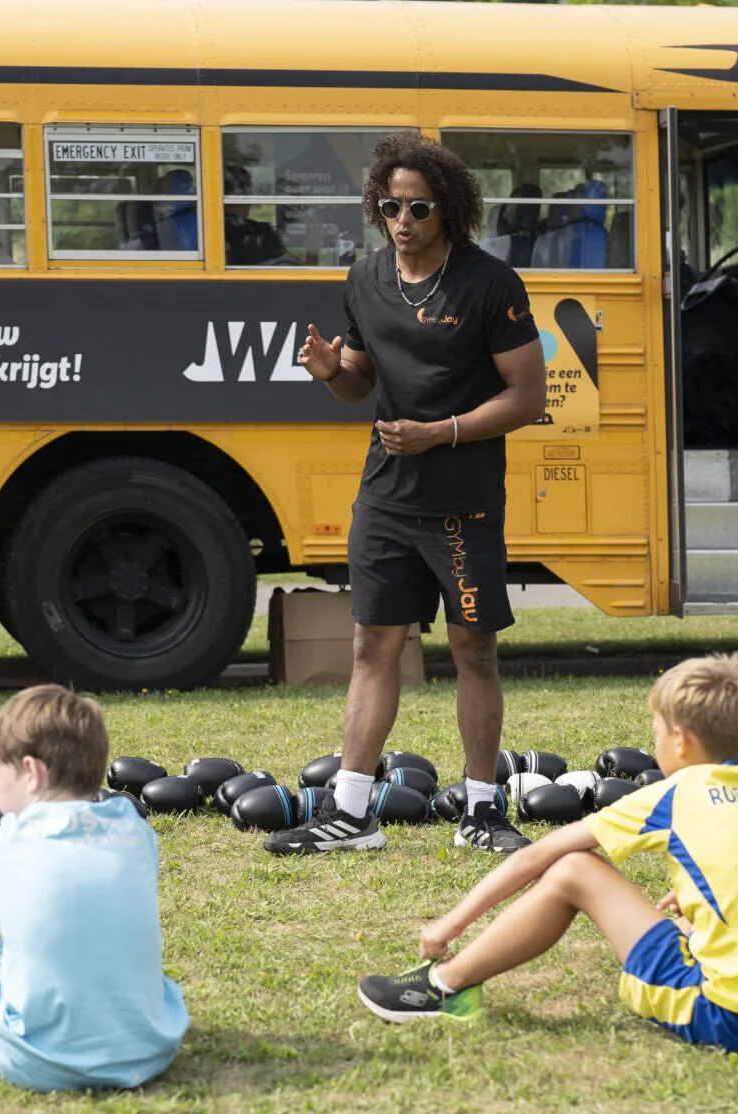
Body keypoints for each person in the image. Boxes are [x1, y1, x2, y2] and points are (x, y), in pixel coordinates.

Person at [268, 132, 549, 859]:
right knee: (372, 646)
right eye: (389, 206)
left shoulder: (490, 285)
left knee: (473, 650)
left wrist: (442, 433)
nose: (402, 220)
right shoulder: (364, 278)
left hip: (464, 499)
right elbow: (360, 380)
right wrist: (333, 371)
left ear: (448, 210)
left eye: (418, 208)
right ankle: (351, 812)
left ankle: (483, 812)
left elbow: (526, 398)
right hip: (386, 497)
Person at [357, 654, 738, 1053]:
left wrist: (450, 924)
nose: (654, 745)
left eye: (655, 732)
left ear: (681, 738)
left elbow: (536, 857)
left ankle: (443, 986)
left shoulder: (673, 795)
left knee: (573, 869)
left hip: (736, 1019)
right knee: (683, 918)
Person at [0, 686, 188, 1091]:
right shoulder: (134, 829)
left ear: (32, 771)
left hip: (35, 1059)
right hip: (151, 1049)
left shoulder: (5, 843)